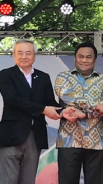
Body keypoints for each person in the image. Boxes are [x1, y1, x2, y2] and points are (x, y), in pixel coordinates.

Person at [55, 42, 103, 184]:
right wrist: (96, 106)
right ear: (75, 58)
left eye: (88, 57)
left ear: (95, 60)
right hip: (69, 140)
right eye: (80, 56)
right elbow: (66, 98)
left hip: (98, 141)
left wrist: (84, 114)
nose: (84, 60)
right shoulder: (63, 77)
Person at [0, 39, 61, 184]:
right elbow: (12, 100)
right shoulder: (5, 75)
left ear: (34, 56)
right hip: (11, 135)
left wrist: (64, 111)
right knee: (8, 180)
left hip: (35, 135)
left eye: (28, 53)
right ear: (14, 55)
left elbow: (50, 102)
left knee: (28, 180)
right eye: (19, 53)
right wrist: (43, 110)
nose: (24, 56)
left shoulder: (43, 77)